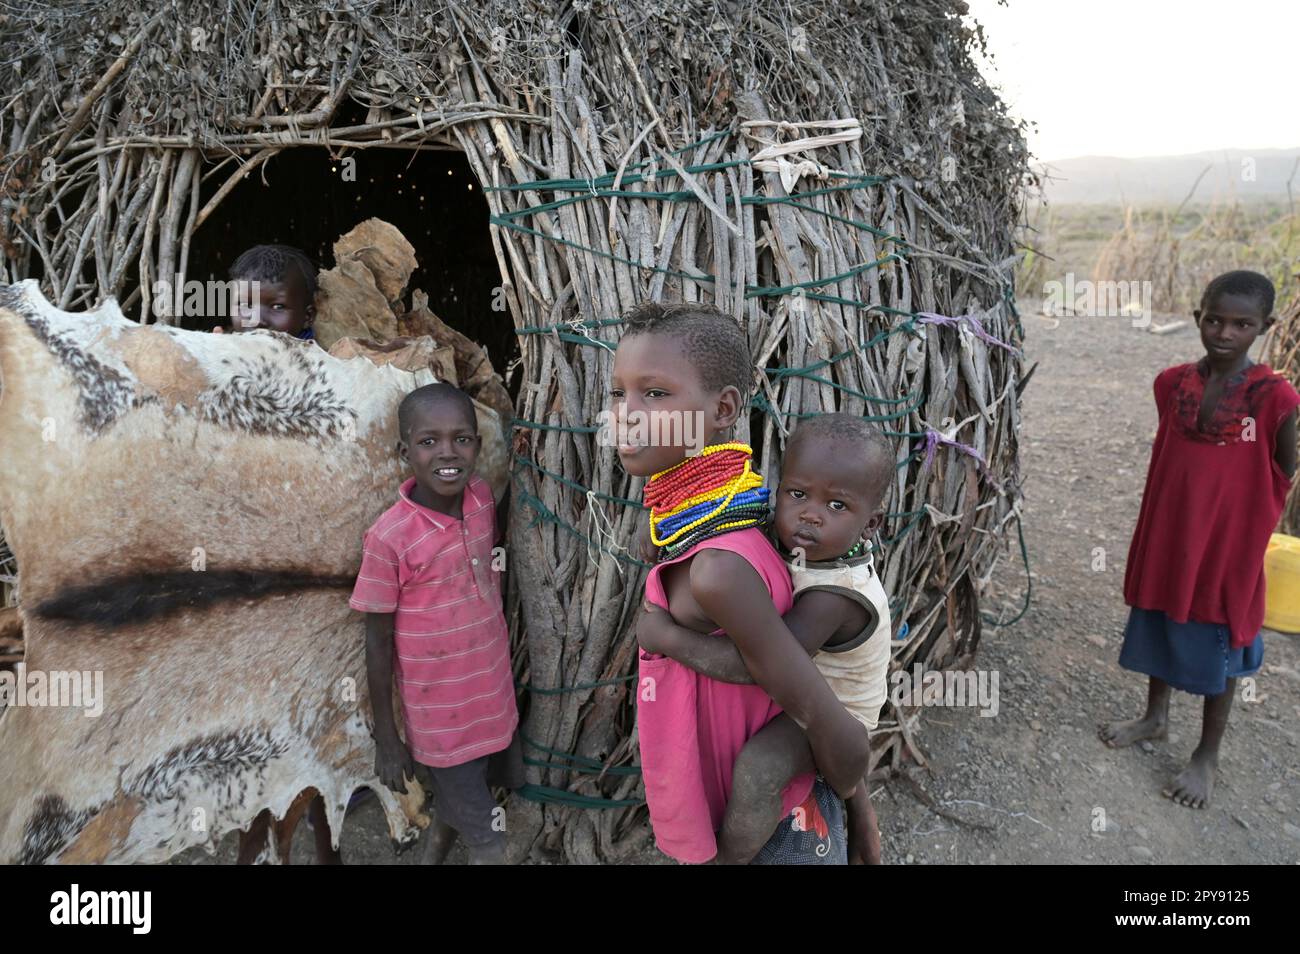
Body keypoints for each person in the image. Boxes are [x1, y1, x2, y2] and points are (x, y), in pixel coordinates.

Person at [611, 302, 869, 864]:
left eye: (654, 394)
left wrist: (854, 798)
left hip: (773, 834)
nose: (627, 413)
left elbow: (825, 719)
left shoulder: (720, 568)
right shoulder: (717, 528)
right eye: (618, 393)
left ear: (724, 408)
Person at [638, 413, 892, 863]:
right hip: (806, 693)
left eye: (836, 506)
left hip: (839, 715)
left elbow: (754, 666)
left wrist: (667, 639)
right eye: (797, 494)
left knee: (759, 767)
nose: (810, 515)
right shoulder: (803, 552)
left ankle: (729, 859)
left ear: (870, 524)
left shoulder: (836, 596)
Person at [1100, 270, 1299, 809]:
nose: (1225, 332)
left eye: (1242, 324)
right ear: (1197, 318)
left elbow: (1283, 468)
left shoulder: (1275, 400)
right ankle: (1155, 717)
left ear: (1265, 327)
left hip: (1225, 546)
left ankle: (1207, 754)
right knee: (1163, 613)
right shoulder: (1172, 384)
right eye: (1214, 319)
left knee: (1220, 643)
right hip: (1170, 533)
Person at [350, 383, 521, 863]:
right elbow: (377, 641)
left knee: (454, 807)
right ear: (406, 452)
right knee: (489, 837)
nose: (447, 453)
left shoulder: (483, 500)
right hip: (442, 724)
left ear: (477, 445)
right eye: (429, 442)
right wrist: (388, 737)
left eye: (461, 439)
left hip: (491, 703)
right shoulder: (390, 538)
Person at [216, 243, 318, 340]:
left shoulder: (314, 357)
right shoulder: (226, 350)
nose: (256, 321)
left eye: (277, 307)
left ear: (307, 317)